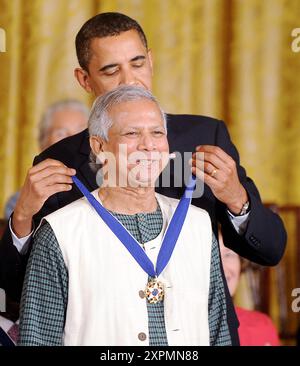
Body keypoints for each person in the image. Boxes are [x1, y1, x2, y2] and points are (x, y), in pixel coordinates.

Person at [0, 12, 287, 345]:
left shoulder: (205, 137)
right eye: (111, 70)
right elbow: (15, 293)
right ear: (85, 79)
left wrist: (238, 199)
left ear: (151, 62)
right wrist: (22, 220)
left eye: (137, 64)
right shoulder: (60, 161)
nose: (129, 80)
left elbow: (271, 250)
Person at [19, 86, 231, 346]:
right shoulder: (60, 233)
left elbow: (219, 332)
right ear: (98, 146)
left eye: (157, 133)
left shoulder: (196, 224)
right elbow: (38, 339)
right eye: (131, 133)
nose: (148, 145)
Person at [4, 99, 89, 219]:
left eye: (80, 133)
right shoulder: (19, 202)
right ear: (42, 143)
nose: (72, 141)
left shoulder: (105, 189)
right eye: (61, 133)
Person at [219, 230, 280, 346]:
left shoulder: (262, 326)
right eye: (211, 255)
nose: (222, 267)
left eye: (228, 254)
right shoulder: (180, 327)